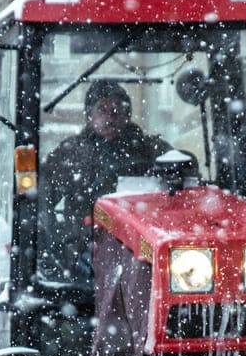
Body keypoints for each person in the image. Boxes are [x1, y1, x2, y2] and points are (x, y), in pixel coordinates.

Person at [40, 79, 171, 286]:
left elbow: (181, 178)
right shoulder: (69, 154)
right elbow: (41, 198)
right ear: (89, 115)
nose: (110, 116)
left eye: (117, 109)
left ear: (128, 115)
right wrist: (62, 242)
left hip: (144, 252)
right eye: (102, 109)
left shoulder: (151, 150)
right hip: (84, 257)